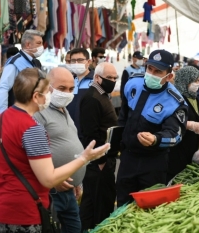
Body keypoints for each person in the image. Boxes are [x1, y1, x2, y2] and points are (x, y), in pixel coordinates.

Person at [0, 67, 110, 232]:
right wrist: (84, 158)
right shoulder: (32, 128)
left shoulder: (1, 119)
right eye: (47, 91)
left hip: (1, 210)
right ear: (36, 96)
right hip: (26, 213)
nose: (50, 96)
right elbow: (49, 180)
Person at [116, 49, 188, 207]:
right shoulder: (132, 84)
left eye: (158, 71)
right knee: (122, 205)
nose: (151, 74)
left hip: (153, 163)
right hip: (128, 158)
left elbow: (175, 135)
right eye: (149, 68)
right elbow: (123, 119)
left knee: (150, 208)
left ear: (169, 76)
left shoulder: (175, 102)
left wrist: (156, 139)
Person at [33, 67, 85, 233]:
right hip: (52, 191)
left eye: (71, 89)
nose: (67, 93)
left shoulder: (64, 110)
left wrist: (77, 181)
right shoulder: (39, 112)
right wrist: (54, 179)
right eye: (62, 88)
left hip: (69, 189)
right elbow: (32, 152)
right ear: (48, 87)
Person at [79, 62, 119, 230]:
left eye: (114, 78)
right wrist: (100, 161)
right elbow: (91, 134)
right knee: (98, 205)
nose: (112, 81)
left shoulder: (102, 95)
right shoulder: (92, 98)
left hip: (105, 159)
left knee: (98, 202)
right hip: (98, 163)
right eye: (108, 77)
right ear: (97, 77)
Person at [0, 29, 44, 114]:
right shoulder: (14, 62)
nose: (41, 46)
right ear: (28, 44)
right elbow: (3, 88)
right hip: (18, 113)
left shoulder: (36, 63)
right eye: (38, 43)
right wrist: (3, 114)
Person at [66, 48, 94, 140]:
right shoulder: (68, 82)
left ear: (88, 62)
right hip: (70, 134)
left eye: (80, 60)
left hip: (90, 134)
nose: (76, 63)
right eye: (73, 61)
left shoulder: (96, 81)